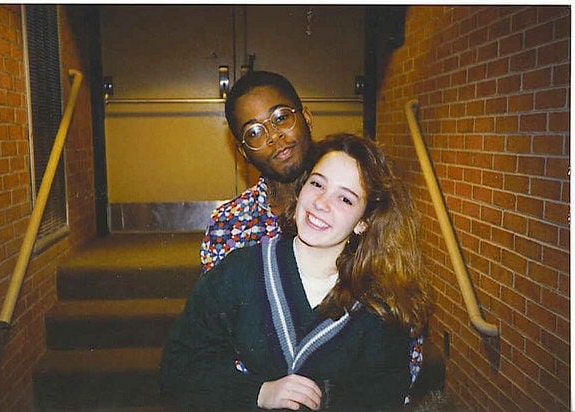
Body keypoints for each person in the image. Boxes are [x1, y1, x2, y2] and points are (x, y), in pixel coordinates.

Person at [161, 133, 432, 410]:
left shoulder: (377, 301)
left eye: (345, 199)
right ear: (301, 189)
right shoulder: (242, 270)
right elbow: (179, 366)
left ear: (364, 222)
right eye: (317, 184)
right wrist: (258, 392)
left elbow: (382, 398)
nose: (321, 203)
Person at [199, 71, 314, 273]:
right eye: (254, 132)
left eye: (281, 117)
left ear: (306, 118)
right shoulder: (226, 225)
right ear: (243, 152)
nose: (273, 136)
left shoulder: (350, 203)